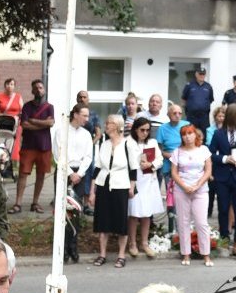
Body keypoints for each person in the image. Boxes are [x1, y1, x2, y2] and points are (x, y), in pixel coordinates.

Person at [89, 114, 138, 268]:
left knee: (120, 222)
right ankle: (102, 254)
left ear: (117, 126)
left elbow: (133, 168)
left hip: (120, 185)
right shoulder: (104, 143)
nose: (106, 124)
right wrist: (92, 191)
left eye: (109, 122)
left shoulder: (128, 144)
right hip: (103, 185)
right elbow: (97, 168)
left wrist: (132, 186)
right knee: (102, 221)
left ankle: (121, 255)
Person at [208, 103, 236, 255]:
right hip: (222, 177)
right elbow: (211, 153)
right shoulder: (218, 134)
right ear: (231, 116)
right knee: (222, 209)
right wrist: (224, 158)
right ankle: (224, 238)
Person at [168, 122, 214, 266]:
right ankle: (186, 254)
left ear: (195, 134)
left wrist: (197, 185)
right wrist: (184, 186)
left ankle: (206, 255)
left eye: (190, 133)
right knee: (183, 223)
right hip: (182, 190)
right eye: (184, 134)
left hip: (200, 190)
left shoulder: (204, 150)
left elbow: (208, 171)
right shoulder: (177, 152)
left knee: (202, 223)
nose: (187, 137)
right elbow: (174, 173)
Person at [15, 79, 55, 213]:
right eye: (36, 88)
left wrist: (34, 121)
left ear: (44, 90)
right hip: (28, 145)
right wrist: (42, 124)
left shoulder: (49, 107)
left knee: (41, 175)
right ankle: (18, 203)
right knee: (22, 174)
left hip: (44, 146)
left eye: (41, 87)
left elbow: (51, 123)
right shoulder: (27, 106)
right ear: (32, 91)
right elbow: (24, 124)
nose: (38, 90)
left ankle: (35, 202)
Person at [126, 116, 163, 259]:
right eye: (142, 130)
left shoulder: (152, 142)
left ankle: (144, 243)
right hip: (135, 181)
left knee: (147, 214)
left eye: (148, 130)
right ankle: (132, 243)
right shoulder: (129, 143)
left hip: (149, 181)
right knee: (134, 213)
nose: (145, 133)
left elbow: (159, 159)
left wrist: (151, 165)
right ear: (136, 129)